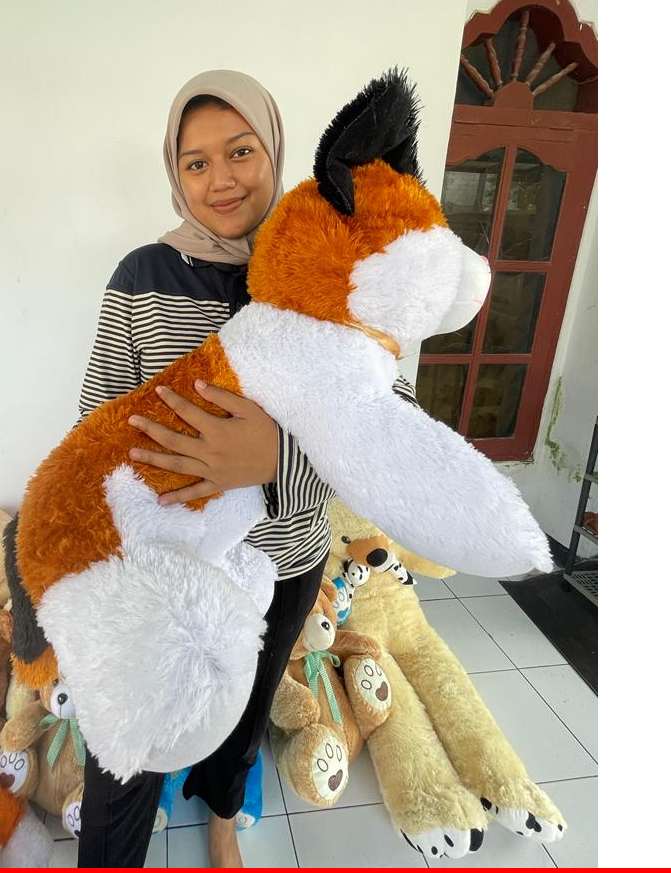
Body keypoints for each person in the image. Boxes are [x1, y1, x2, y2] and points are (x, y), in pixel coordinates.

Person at [74, 70, 418, 868]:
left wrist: (274, 463)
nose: (220, 179)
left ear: (275, 151)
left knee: (245, 712)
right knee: (124, 748)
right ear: (174, 173)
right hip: (165, 573)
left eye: (240, 151)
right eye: (195, 162)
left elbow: (392, 426)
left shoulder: (331, 269)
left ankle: (222, 814)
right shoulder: (141, 279)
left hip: (285, 562)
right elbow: (94, 428)